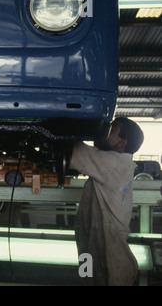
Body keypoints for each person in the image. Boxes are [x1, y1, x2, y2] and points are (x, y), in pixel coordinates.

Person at [69, 117, 144, 286]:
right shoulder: (110, 163)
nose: (104, 133)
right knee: (86, 278)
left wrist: (73, 125)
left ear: (121, 143)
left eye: (111, 130)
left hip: (110, 252)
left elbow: (76, 150)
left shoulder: (115, 163)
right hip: (90, 242)